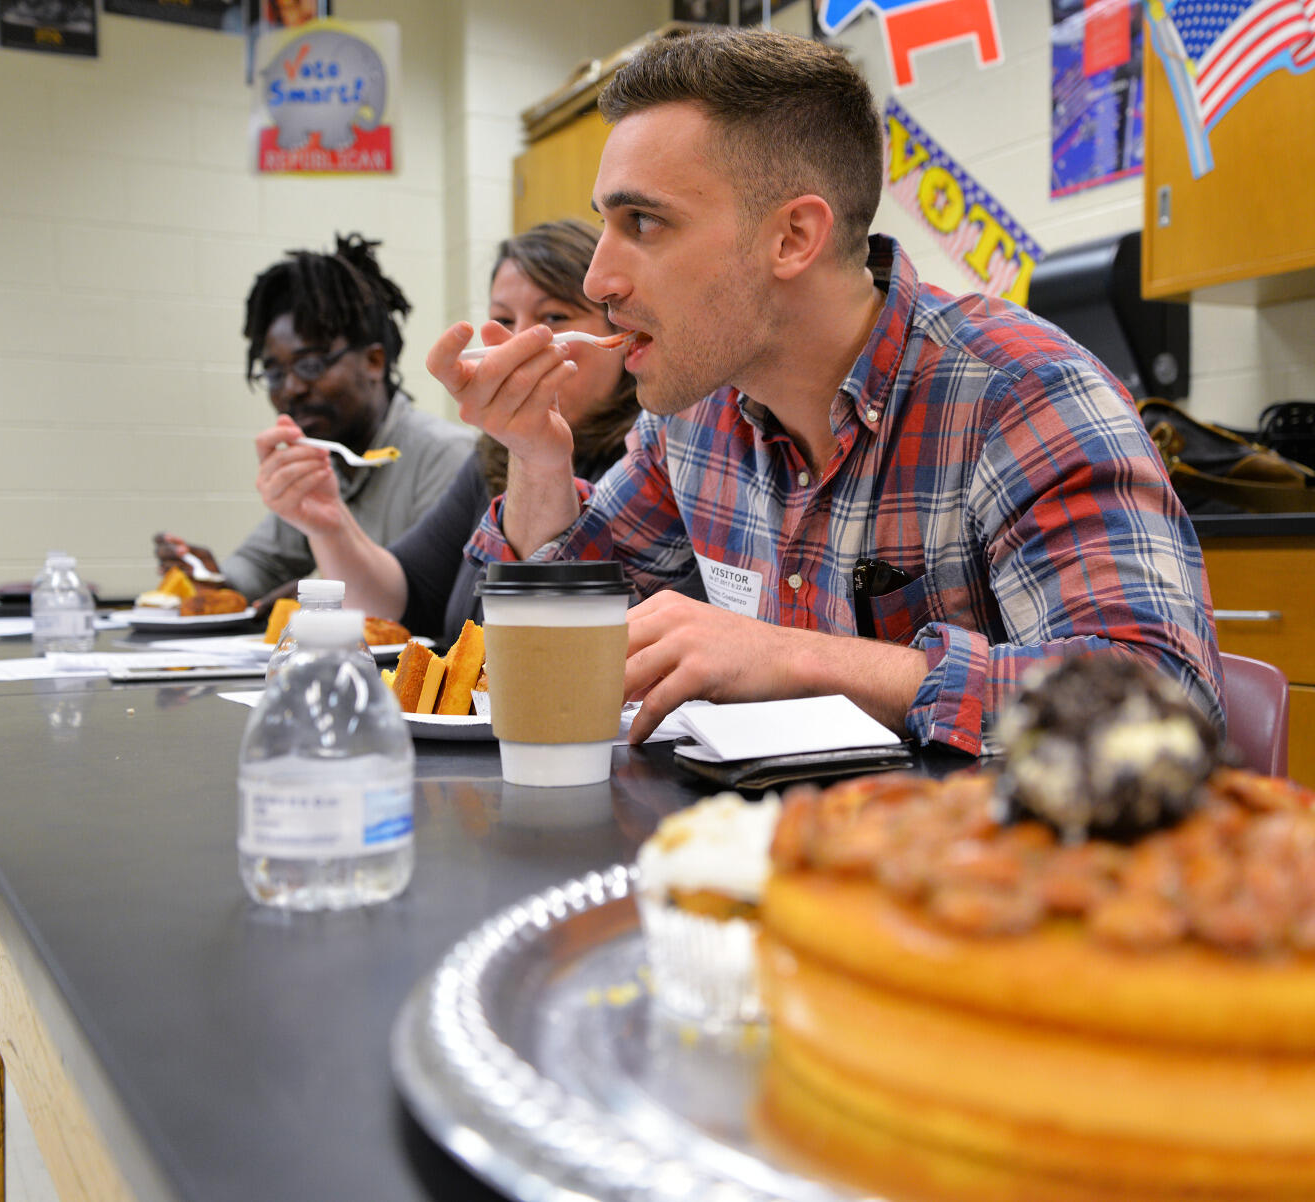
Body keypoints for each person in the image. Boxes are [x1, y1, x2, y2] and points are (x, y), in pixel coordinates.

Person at [430, 28, 1224, 752]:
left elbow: (1164, 703)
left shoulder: (1021, 394)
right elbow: (564, 627)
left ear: (793, 237)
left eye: (642, 223)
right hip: (779, 844)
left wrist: (796, 659)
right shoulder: (697, 411)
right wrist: (535, 458)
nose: (598, 280)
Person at [247, 220, 643, 643]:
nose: (519, 341)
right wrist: (329, 523)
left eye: (553, 317)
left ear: (618, 333)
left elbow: (579, 642)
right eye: (503, 319)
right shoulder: (489, 459)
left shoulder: (648, 455)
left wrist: (538, 455)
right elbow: (401, 598)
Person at [155, 233, 474, 611]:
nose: (292, 388)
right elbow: (263, 564)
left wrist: (324, 592)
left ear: (374, 362)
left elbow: (433, 593)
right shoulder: (323, 462)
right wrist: (213, 578)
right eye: (274, 373)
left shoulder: (446, 455)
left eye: (310, 365)